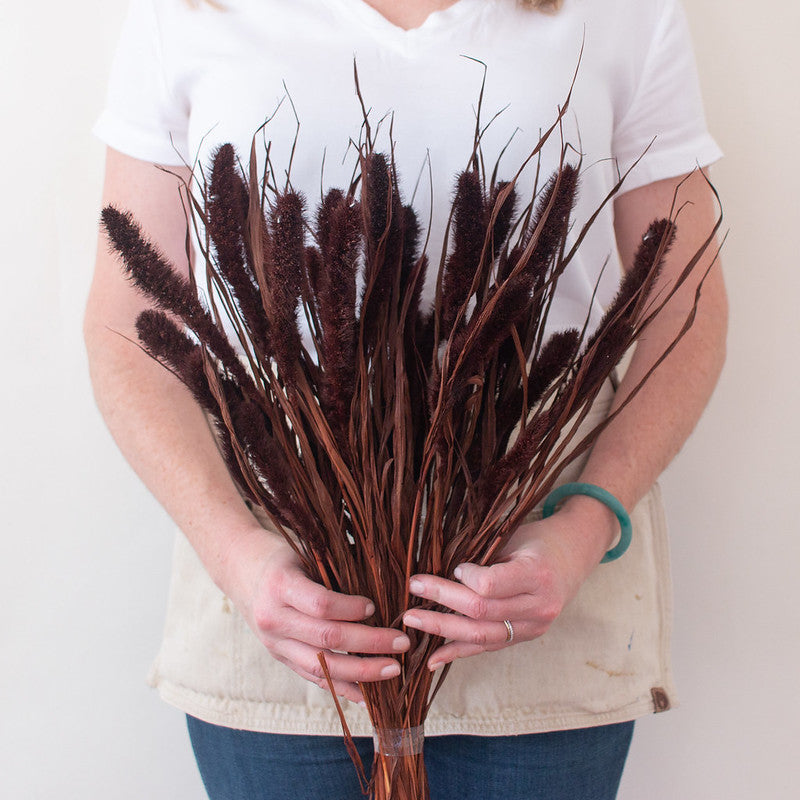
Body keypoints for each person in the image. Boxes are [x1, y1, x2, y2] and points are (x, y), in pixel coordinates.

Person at [85, 0, 727, 798]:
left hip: (538, 573)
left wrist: (586, 525)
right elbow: (127, 325)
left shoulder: (628, 12)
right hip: (280, 597)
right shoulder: (186, 12)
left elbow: (686, 308)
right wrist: (238, 558)